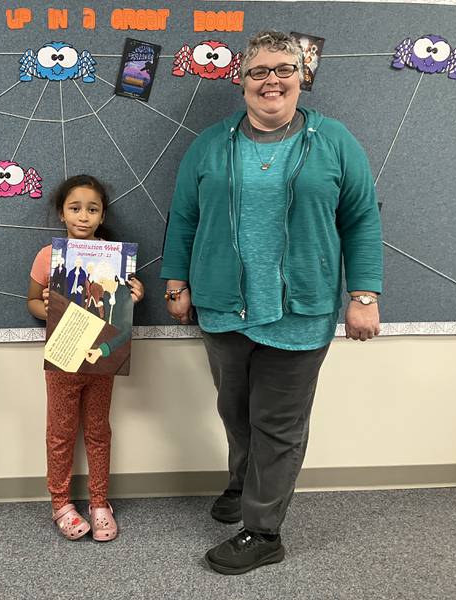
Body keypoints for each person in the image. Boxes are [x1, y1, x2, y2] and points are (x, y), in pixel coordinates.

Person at [161, 30, 383, 575]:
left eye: (284, 68)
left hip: (301, 310)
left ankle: (263, 531)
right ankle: (241, 484)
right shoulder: (210, 145)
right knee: (236, 413)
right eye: (259, 70)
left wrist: (363, 295)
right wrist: (175, 284)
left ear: (301, 77)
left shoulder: (334, 142)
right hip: (222, 307)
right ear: (241, 81)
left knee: (278, 424)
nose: (272, 80)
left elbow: (361, 219)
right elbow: (183, 217)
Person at [27, 175, 144, 542]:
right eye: (74, 208)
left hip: (101, 360)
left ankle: (99, 502)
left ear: (102, 214)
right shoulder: (49, 256)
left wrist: (133, 295)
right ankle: (60, 503)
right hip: (63, 357)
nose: (83, 216)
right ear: (61, 213)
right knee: (60, 433)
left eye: (92, 209)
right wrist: (46, 306)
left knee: (98, 430)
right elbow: (31, 301)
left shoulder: (114, 257)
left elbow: (116, 307)